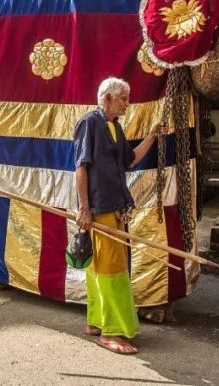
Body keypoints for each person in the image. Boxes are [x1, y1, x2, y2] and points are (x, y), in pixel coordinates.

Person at [74, 77, 159, 355]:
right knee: (112, 270)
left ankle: (97, 321)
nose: (128, 102)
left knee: (100, 266)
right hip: (100, 208)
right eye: (123, 97)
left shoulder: (114, 126)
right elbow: (81, 168)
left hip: (116, 207)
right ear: (107, 98)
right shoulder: (90, 123)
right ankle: (112, 331)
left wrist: (152, 136)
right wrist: (84, 209)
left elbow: (130, 160)